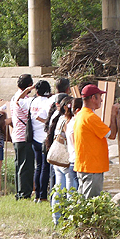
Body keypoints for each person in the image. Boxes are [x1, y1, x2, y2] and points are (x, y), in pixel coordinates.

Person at [73, 84, 120, 199]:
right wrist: (113, 114)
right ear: (93, 98)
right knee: (91, 202)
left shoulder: (80, 115)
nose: (102, 100)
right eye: (99, 97)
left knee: (83, 200)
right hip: (92, 167)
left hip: (83, 164)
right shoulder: (91, 118)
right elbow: (112, 135)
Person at [19, 80, 52, 202]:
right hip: (45, 139)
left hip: (34, 139)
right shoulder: (48, 102)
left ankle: (37, 195)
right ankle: (43, 195)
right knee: (45, 167)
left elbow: (19, 99)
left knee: (38, 167)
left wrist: (29, 89)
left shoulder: (31, 101)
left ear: (37, 90)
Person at [47, 95, 74, 225]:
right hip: (65, 159)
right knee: (70, 190)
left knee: (58, 189)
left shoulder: (59, 119)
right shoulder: (69, 121)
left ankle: (56, 219)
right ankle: (71, 218)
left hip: (57, 159)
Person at [10, 75, 35, 200]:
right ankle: (24, 193)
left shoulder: (13, 97)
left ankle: (19, 192)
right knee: (26, 167)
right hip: (24, 137)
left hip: (16, 135)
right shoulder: (24, 100)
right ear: (29, 85)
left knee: (19, 166)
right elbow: (31, 116)